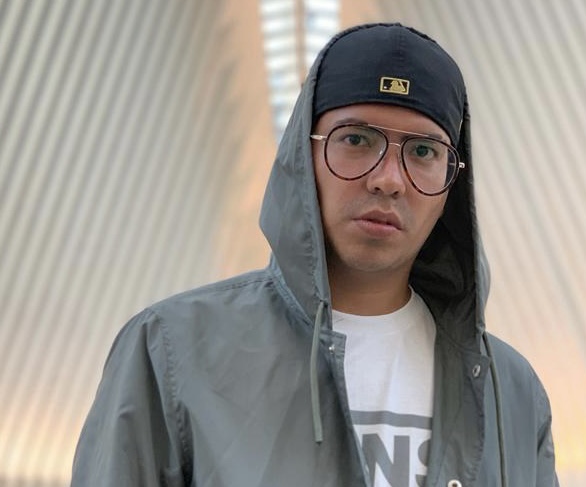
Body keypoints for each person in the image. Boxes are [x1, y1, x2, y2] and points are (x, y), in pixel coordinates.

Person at [71, 23, 559, 486]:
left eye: (424, 152)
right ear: (302, 156)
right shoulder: (172, 350)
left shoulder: (510, 392)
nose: (388, 179)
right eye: (356, 140)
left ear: (452, 184)